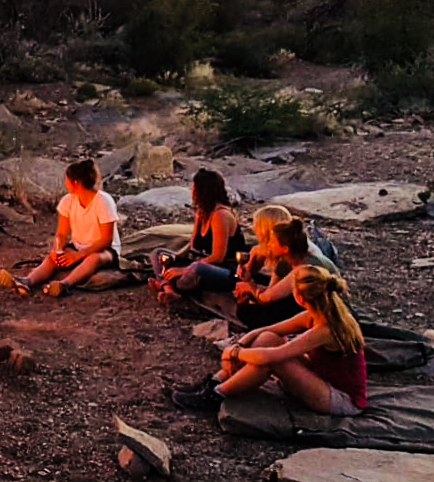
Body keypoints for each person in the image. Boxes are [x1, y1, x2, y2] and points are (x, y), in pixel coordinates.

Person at [172, 265, 367, 416]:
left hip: (342, 399)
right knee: (268, 338)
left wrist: (233, 352)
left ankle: (215, 396)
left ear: (299, 297)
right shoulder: (316, 313)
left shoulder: (327, 328)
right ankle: (216, 381)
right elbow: (267, 330)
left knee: (272, 360)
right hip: (322, 377)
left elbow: (272, 356)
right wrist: (239, 345)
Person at [2, 159, 121, 297]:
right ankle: (27, 281)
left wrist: (78, 256)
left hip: (104, 250)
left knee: (94, 259)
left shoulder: (103, 201)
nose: (65, 183)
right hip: (78, 245)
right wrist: (57, 249)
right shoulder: (67, 201)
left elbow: (106, 240)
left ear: (75, 182)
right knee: (54, 258)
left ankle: (65, 285)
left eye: (66, 180)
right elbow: (61, 234)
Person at [149, 168, 247, 300]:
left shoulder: (221, 215)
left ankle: (167, 285)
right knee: (158, 253)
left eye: (194, 187)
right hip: (197, 262)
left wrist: (183, 270)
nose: (191, 191)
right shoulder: (202, 212)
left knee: (197, 268)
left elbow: (218, 257)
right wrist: (175, 257)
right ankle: (170, 289)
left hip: (223, 270)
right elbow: (193, 245)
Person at [233, 216, 338, 329]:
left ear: (285, 248)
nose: (268, 245)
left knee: (246, 312)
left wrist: (250, 285)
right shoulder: (286, 260)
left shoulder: (303, 267)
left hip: (318, 308)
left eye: (272, 242)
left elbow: (267, 298)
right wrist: (251, 283)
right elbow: (271, 290)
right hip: (297, 298)